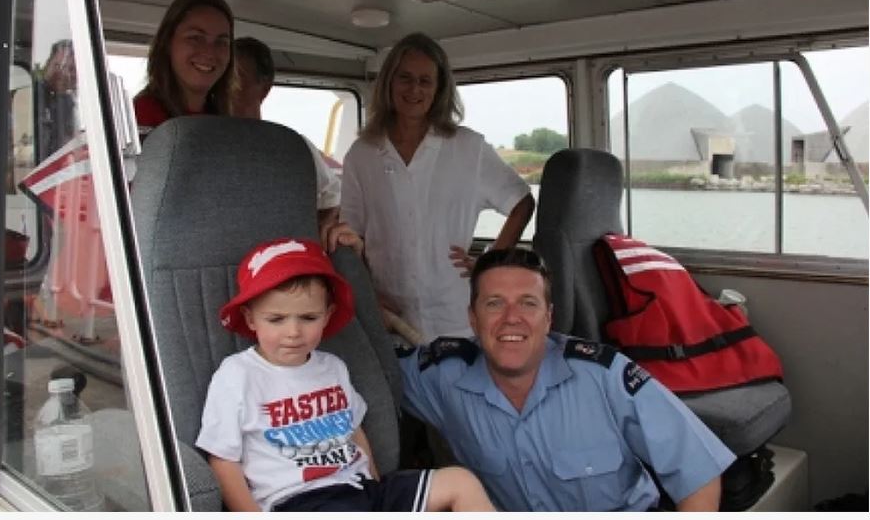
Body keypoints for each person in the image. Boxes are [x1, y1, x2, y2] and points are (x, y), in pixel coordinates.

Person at [397, 246, 737, 512]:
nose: (511, 319)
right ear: (472, 318)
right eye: (494, 303)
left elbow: (698, 473)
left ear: (549, 318)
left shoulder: (605, 376)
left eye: (528, 303)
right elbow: (367, 377)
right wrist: (354, 264)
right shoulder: (442, 376)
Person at [195, 237, 495, 512]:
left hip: (362, 491)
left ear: (327, 315)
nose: (293, 332)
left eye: (309, 318)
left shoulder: (332, 366)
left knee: (460, 482)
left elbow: (354, 431)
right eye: (276, 319)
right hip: (301, 500)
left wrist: (375, 485)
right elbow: (223, 459)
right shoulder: (237, 375)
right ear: (250, 318)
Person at [340, 32, 535, 342]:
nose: (414, 89)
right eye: (405, 78)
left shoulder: (469, 147)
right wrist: (366, 297)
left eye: (425, 81)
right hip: (390, 320)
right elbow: (350, 239)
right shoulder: (362, 154)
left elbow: (521, 202)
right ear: (389, 82)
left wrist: (490, 262)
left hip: (455, 320)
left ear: (439, 88)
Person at [231, 36, 342, 236]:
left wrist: (320, 236)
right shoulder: (204, 149)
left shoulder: (293, 149)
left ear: (264, 88)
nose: (225, 89)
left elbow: (332, 197)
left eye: (236, 79)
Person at [134, 0, 234, 137]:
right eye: (195, 38)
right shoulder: (142, 116)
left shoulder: (227, 125)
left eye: (221, 42)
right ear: (167, 42)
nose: (209, 52)